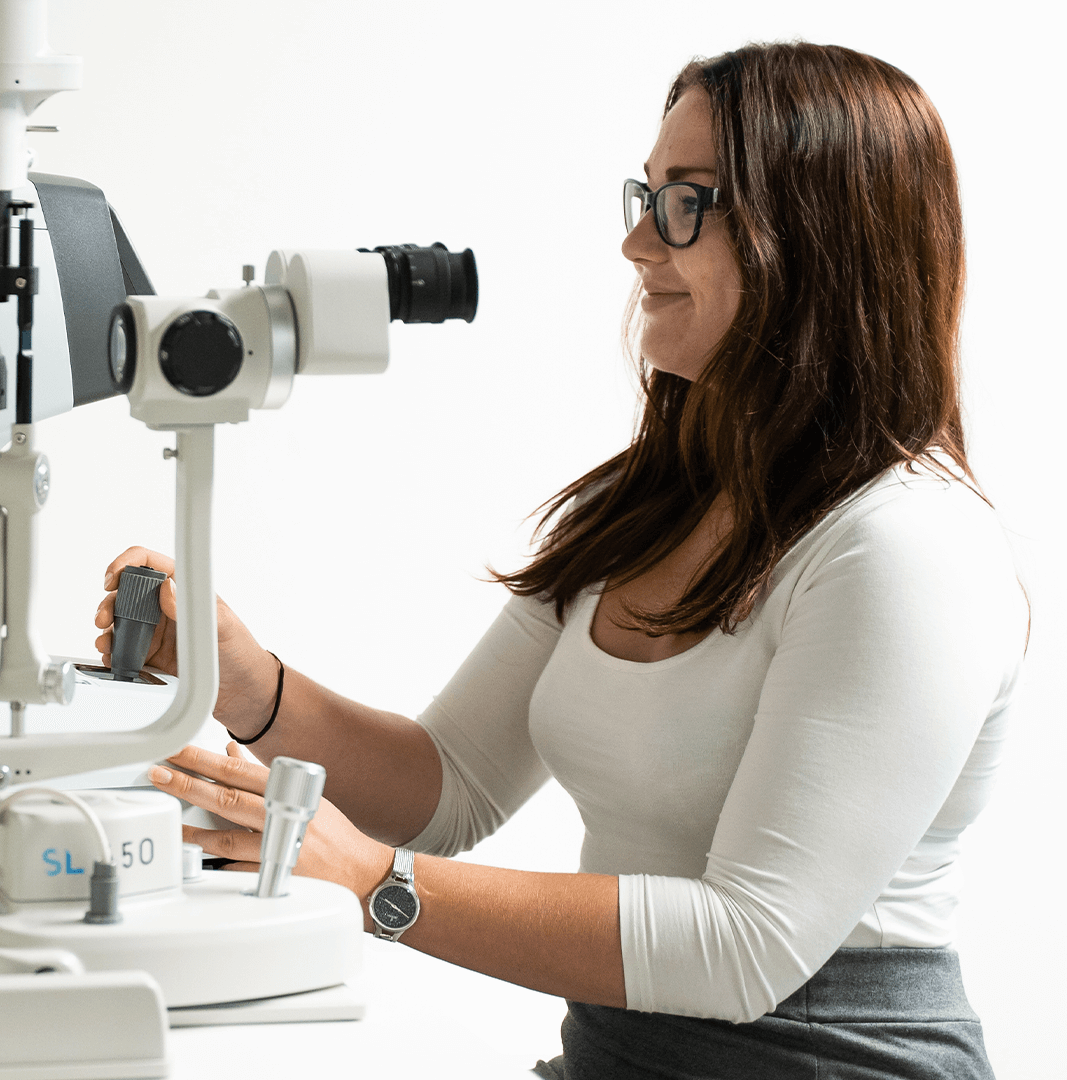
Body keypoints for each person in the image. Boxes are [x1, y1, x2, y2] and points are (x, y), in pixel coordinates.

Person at [99, 42, 1024, 1079]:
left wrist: (371, 884)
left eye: (686, 202)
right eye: (644, 194)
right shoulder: (639, 507)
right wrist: (242, 680)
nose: (635, 242)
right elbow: (447, 788)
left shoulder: (902, 548)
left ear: (816, 235)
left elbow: (745, 947)